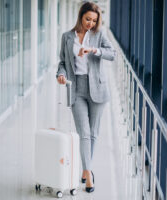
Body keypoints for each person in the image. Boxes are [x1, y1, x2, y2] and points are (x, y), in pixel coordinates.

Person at [56, 2, 116, 193]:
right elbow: (63, 62)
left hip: (97, 88)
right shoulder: (67, 37)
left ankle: (85, 169)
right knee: (84, 133)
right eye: (87, 19)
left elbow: (112, 54)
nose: (90, 23)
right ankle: (88, 173)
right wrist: (60, 74)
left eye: (94, 20)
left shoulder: (98, 36)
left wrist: (93, 50)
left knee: (94, 133)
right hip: (76, 89)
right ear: (80, 16)